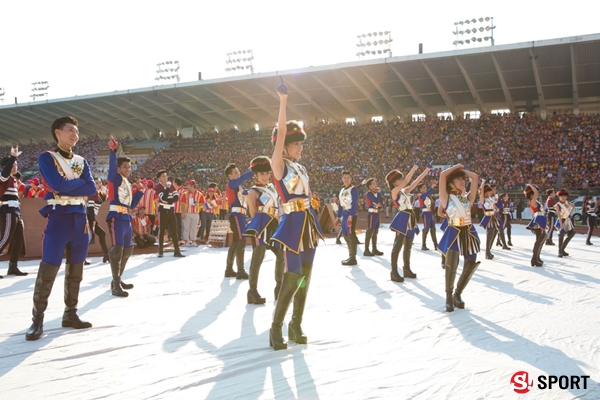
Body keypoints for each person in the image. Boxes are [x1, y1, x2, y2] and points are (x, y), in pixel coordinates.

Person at [26, 116, 97, 341]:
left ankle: (70, 314)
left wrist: (70, 188)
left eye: (76, 131)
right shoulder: (47, 157)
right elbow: (56, 185)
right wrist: (79, 186)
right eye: (70, 130)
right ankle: (37, 320)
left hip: (80, 218)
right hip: (58, 218)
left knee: (76, 271)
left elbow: (92, 188)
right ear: (58, 132)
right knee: (49, 269)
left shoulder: (82, 160)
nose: (75, 134)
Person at [269, 78, 324, 350]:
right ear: (285, 145)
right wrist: (283, 102)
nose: (300, 148)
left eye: (301, 144)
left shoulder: (301, 169)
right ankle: (276, 327)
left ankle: (296, 323)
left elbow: (309, 195)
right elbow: (280, 133)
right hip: (291, 222)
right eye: (296, 144)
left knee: (305, 276)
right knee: (292, 274)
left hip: (307, 223)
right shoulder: (279, 166)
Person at [437, 164, 480, 312]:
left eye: (463, 179)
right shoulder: (446, 197)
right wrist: (457, 167)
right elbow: (443, 175)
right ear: (451, 183)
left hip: (468, 232)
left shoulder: (468, 197)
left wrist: (463, 172)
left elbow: (475, 178)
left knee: (471, 263)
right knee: (451, 265)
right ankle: (449, 297)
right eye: (459, 179)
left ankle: (458, 294)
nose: (463, 181)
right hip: (453, 231)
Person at [106, 136, 144, 297]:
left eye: (129, 167)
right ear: (119, 168)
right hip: (116, 217)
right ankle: (115, 285)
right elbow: (111, 166)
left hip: (126, 218)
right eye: (125, 167)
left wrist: (140, 192)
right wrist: (113, 151)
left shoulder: (127, 183)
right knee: (117, 250)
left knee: (127, 250)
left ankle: (118, 279)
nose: (128, 169)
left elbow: (132, 205)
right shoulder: (115, 178)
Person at [244, 156, 285, 304]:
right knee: (257, 259)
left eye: (267, 173)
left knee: (281, 256)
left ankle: (279, 288)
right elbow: (253, 213)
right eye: (262, 174)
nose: (265, 176)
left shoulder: (273, 188)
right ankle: (252, 292)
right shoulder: (253, 192)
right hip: (262, 227)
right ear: (255, 175)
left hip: (275, 225)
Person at [387, 161, 432, 282]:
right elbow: (408, 181)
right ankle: (394, 271)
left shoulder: (404, 191)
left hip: (410, 218)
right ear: (394, 182)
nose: (402, 180)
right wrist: (415, 167)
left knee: (408, 246)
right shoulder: (394, 191)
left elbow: (416, 182)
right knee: (397, 246)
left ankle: (406, 269)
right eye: (399, 178)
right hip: (402, 217)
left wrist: (426, 170)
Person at [0, 147, 28, 277]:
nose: (16, 166)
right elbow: (5, 172)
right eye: (13, 164)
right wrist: (13, 157)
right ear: (6, 166)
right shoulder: (4, 177)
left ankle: (13, 266)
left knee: (19, 240)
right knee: (5, 239)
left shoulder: (14, 180)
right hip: (8, 211)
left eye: (16, 164)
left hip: (16, 211)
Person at [224, 163, 254, 278]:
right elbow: (241, 180)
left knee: (236, 242)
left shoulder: (238, 187)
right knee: (241, 241)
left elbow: (247, 193)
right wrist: (251, 172)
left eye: (238, 172)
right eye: (235, 172)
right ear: (230, 175)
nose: (238, 174)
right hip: (236, 214)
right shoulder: (231, 184)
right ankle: (240, 270)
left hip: (240, 215)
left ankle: (229, 269)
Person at [156, 170, 185, 258]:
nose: (165, 177)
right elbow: (163, 198)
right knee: (162, 231)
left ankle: (177, 250)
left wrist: (167, 200)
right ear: (159, 178)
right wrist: (168, 190)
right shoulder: (158, 187)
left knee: (174, 231)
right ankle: (160, 251)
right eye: (163, 176)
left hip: (171, 210)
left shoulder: (171, 185)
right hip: (163, 210)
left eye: (166, 175)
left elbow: (176, 198)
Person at [338, 171, 359, 266]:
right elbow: (340, 203)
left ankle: (353, 258)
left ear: (350, 179)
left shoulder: (353, 189)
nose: (346, 179)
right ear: (342, 179)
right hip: (344, 214)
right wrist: (338, 215)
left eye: (348, 177)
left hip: (350, 214)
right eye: (344, 177)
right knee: (345, 235)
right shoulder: (342, 189)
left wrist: (351, 214)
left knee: (350, 235)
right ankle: (350, 255)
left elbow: (354, 203)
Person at [86, 178, 109, 263]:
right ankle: (80, 258)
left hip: (91, 217)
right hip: (89, 217)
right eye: (96, 183)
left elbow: (105, 199)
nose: (99, 184)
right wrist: (93, 220)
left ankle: (106, 254)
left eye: (99, 182)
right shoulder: (93, 193)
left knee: (101, 234)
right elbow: (90, 208)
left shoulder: (99, 193)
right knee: (89, 237)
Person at [524, 184, 546, 267]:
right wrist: (530, 185)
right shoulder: (533, 200)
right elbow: (536, 192)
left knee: (540, 240)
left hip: (540, 220)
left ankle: (537, 257)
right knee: (539, 241)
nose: (537, 194)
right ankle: (534, 259)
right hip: (538, 222)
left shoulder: (535, 201)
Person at [363, 178, 384, 256]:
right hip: (372, 214)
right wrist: (378, 194)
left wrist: (378, 194)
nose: (376, 184)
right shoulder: (369, 193)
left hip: (376, 214)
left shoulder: (377, 193)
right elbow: (376, 201)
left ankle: (374, 249)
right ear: (370, 186)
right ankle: (366, 249)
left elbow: (380, 202)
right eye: (374, 183)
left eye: (375, 182)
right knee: (370, 231)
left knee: (375, 232)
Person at [180, 180, 203, 247]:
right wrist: (183, 212)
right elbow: (181, 203)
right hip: (187, 212)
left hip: (195, 213)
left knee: (193, 228)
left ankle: (193, 241)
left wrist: (198, 204)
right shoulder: (185, 193)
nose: (187, 186)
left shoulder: (199, 194)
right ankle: (186, 241)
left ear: (192, 185)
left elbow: (203, 203)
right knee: (186, 227)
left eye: (188, 185)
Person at [417, 181, 438, 251]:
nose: (425, 188)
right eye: (423, 187)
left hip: (429, 213)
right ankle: (423, 245)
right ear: (420, 189)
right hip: (425, 213)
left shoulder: (427, 195)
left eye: (425, 187)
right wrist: (431, 188)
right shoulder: (420, 195)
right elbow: (424, 195)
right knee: (426, 229)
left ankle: (436, 245)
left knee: (433, 229)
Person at [555, 189, 576, 258]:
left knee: (572, 233)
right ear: (559, 196)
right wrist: (561, 225)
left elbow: (573, 207)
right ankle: (559, 251)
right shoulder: (557, 205)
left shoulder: (567, 202)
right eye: (561, 196)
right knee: (561, 235)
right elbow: (559, 216)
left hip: (568, 221)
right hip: (561, 220)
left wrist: (569, 213)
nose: (563, 197)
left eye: (564, 196)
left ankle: (562, 249)